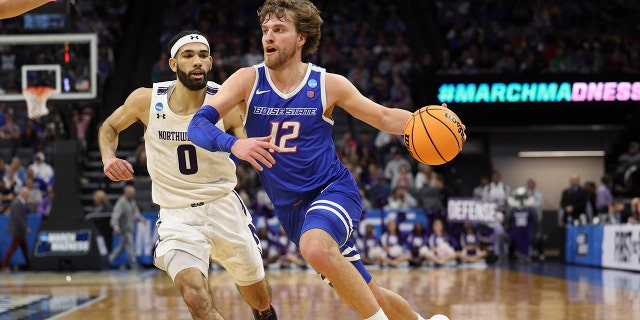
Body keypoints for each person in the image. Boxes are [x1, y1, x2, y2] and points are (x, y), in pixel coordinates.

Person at [187, 1, 465, 319]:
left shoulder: (326, 84)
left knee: (316, 247)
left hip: (332, 190)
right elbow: (197, 124)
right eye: (265, 30)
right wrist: (233, 144)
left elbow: (385, 117)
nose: (268, 38)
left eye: (278, 30)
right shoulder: (248, 81)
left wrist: (431, 123)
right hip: (292, 212)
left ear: (301, 37)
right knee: (366, 290)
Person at [98, 30, 277, 319]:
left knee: (260, 298)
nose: (197, 61)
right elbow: (109, 127)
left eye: (203, 56)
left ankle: (265, 312)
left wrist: (254, 148)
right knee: (193, 293)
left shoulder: (227, 102)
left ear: (210, 62)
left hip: (223, 207)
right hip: (176, 215)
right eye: (188, 55)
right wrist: (108, 158)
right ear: (172, 64)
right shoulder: (147, 100)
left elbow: (254, 145)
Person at [108, 184, 144, 269]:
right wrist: (116, 227)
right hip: (124, 230)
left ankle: (109, 260)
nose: (133, 195)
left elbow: (135, 213)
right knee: (130, 246)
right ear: (126, 193)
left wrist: (141, 220)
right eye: (132, 193)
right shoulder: (121, 202)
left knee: (122, 247)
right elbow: (115, 216)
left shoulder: (132, 201)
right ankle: (134, 265)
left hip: (130, 228)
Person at [1, 187, 31, 271]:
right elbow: (18, 217)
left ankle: (30, 265)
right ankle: (4, 265)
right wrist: (25, 227)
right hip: (18, 230)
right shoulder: (17, 203)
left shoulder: (20, 202)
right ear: (23, 194)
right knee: (13, 248)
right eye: (27, 194)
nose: (28, 196)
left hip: (19, 230)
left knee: (24, 248)